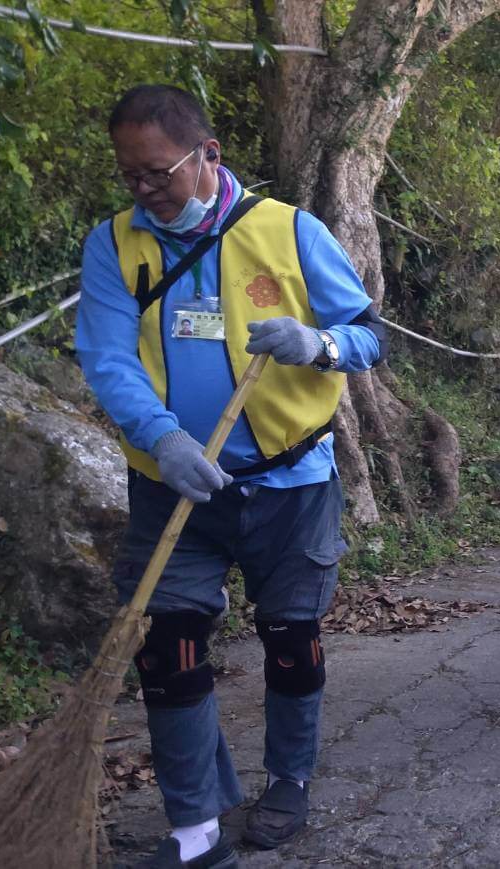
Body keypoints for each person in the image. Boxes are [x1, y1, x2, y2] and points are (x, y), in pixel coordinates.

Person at [76, 84, 387, 868]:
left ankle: (288, 780)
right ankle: (196, 829)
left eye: (158, 173)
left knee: (291, 637)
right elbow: (108, 356)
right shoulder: (115, 245)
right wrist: (161, 436)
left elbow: (368, 335)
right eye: (130, 175)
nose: (144, 190)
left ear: (206, 155)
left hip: (291, 482)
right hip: (172, 483)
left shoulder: (290, 231)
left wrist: (319, 346)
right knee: (168, 646)